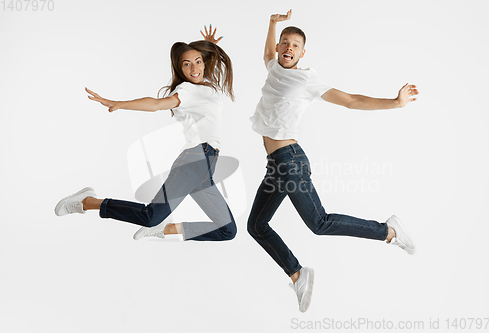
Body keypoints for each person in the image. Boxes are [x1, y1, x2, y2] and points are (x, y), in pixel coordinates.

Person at [247, 10, 418, 312]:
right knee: (257, 225)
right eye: (284, 43)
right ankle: (298, 274)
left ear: (302, 52)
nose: (288, 48)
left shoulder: (306, 79)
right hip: (275, 164)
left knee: (319, 223)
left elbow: (351, 100)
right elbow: (266, 52)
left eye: (295, 45)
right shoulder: (273, 67)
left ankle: (388, 231)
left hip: (290, 161)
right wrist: (273, 24)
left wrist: (395, 103)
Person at [55, 26, 237, 242]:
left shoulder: (208, 87)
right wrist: (119, 103)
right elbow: (156, 104)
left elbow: (207, 62)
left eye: (198, 61)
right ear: (180, 70)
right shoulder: (187, 91)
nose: (194, 68)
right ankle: (87, 201)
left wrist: (211, 46)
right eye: (186, 64)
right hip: (195, 160)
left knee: (228, 230)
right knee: (150, 215)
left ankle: (164, 230)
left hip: (207, 166)